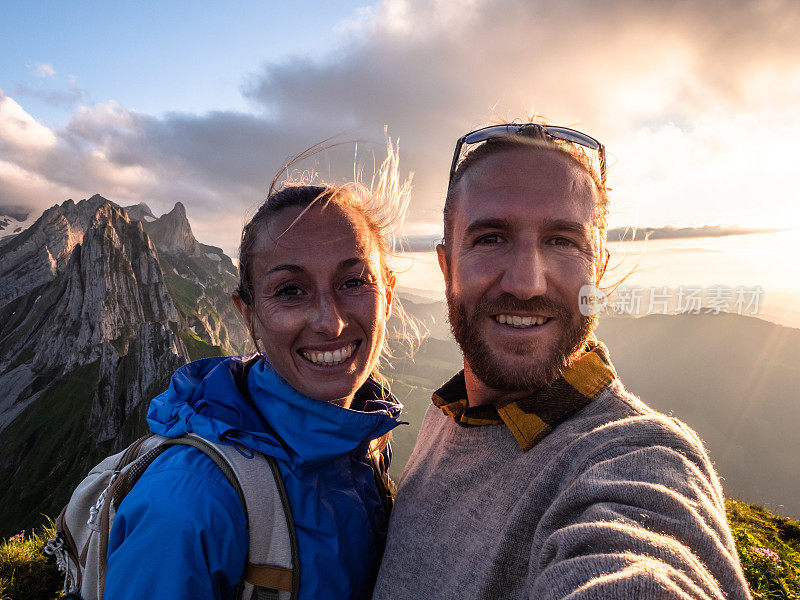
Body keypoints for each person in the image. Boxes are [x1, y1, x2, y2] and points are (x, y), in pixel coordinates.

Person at [372, 123, 752, 599]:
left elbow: (644, 565)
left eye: (564, 241)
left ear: (600, 273)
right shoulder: (447, 415)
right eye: (491, 238)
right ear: (448, 268)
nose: (527, 283)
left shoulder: (636, 458)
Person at [105, 144, 414, 600]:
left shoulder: (365, 440)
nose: (330, 321)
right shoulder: (190, 504)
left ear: (387, 292)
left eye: (353, 281)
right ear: (247, 314)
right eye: (290, 290)